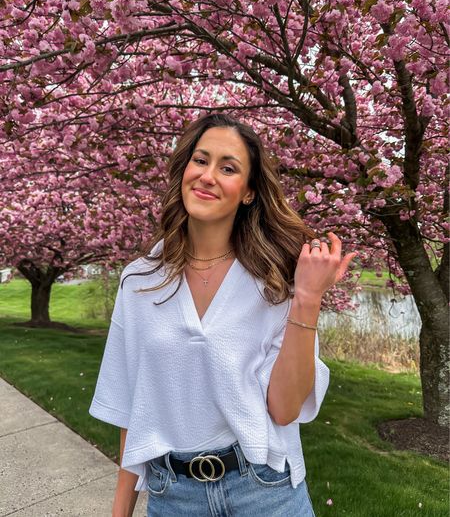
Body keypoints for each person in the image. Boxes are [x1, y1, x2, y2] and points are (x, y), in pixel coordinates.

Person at [89, 113, 358, 516]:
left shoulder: (275, 282)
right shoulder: (140, 282)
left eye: (228, 167)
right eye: (200, 160)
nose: (208, 176)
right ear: (184, 171)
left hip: (264, 491)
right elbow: (131, 408)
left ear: (248, 192)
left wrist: (306, 299)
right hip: (173, 497)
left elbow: (284, 409)